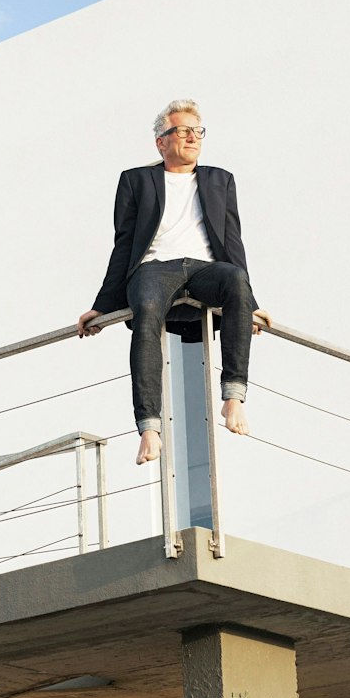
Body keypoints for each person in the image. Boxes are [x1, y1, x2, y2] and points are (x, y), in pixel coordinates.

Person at [76, 99, 271, 465]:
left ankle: (232, 399)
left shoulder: (220, 180)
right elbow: (124, 243)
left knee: (236, 281)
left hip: (205, 268)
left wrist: (249, 304)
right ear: (161, 142)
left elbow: (232, 241)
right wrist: (103, 306)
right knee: (147, 309)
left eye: (197, 131)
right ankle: (149, 427)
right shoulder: (136, 180)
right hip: (154, 268)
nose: (192, 138)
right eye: (181, 131)